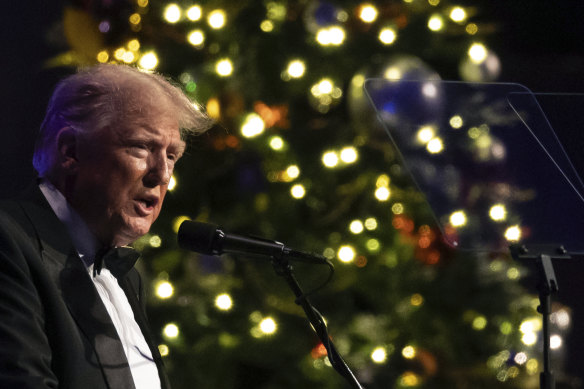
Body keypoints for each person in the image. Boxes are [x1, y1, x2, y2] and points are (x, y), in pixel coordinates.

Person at [0, 64, 211, 388]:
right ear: (71, 151)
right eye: (141, 146)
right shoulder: (9, 241)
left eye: (171, 156)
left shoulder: (127, 277)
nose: (163, 175)